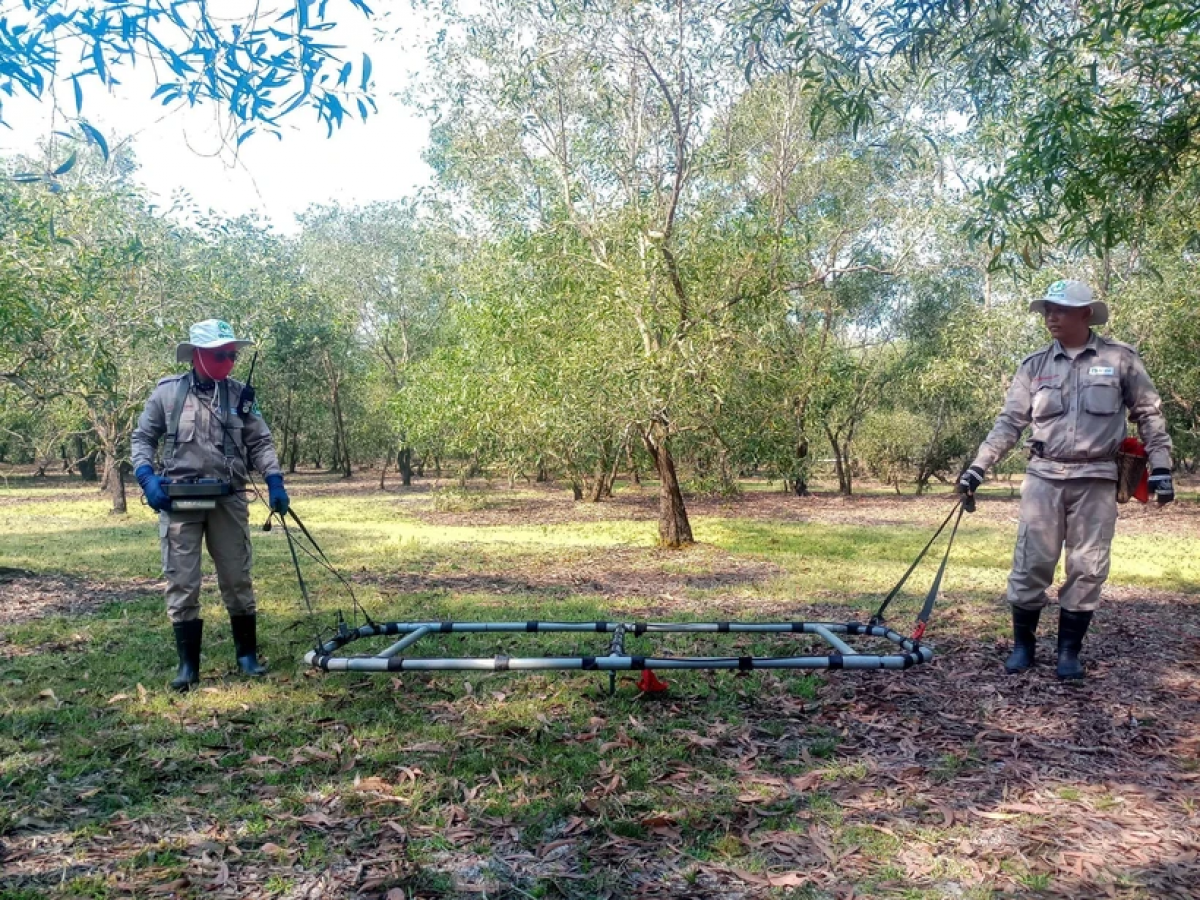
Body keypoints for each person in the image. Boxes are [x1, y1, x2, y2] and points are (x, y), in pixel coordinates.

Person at [957, 280, 1174, 680]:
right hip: (1044, 477)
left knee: (1088, 566)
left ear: (1085, 314)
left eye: (1059, 310)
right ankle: (1024, 646)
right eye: (1046, 311)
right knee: (1031, 564)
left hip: (1096, 478)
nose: (1050, 317)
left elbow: (1148, 414)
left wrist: (1160, 466)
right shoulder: (1034, 366)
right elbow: (1010, 422)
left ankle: (1068, 652)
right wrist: (978, 465)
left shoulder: (1121, 359)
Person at [131, 319, 291, 691]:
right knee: (182, 580)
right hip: (178, 499)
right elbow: (142, 438)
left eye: (232, 355)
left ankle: (247, 657)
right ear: (198, 355)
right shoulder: (167, 394)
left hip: (229, 498)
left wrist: (274, 479)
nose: (228, 361)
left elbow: (261, 442)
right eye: (220, 354)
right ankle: (188, 667)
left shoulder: (240, 397)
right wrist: (146, 477)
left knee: (237, 576)